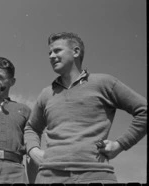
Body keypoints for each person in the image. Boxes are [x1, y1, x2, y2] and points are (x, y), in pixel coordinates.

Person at [24, 32, 147, 183]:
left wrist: (120, 144)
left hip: (96, 174)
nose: (51, 56)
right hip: (49, 176)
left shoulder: (104, 83)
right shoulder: (46, 93)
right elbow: (31, 128)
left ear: (76, 52)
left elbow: (144, 110)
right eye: (49, 52)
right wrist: (33, 150)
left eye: (57, 50)